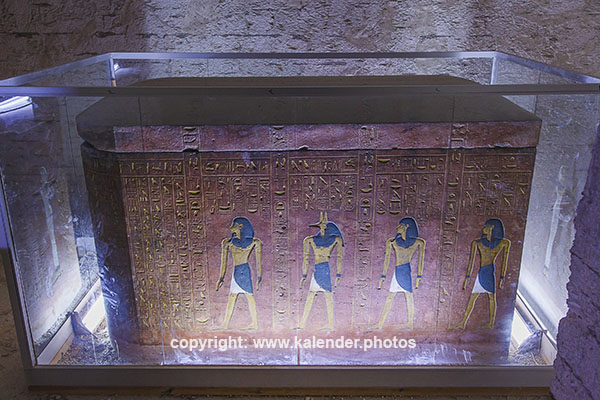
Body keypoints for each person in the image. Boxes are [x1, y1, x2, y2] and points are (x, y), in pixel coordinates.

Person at [453, 218, 511, 330]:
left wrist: (502, 278)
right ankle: (463, 323)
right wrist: (467, 277)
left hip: (489, 272)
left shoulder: (504, 243)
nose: (483, 228)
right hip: (483, 273)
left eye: (486, 226)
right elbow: (471, 262)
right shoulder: (477, 243)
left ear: (492, 228)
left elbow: (504, 261)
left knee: (491, 298)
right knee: (476, 297)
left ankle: (490, 323)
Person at [371, 217, 425, 330]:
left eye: (400, 226)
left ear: (406, 227)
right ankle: (380, 323)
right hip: (397, 272)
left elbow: (421, 260)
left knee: (408, 296)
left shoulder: (418, 242)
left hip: (406, 271)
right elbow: (386, 260)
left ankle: (410, 323)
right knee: (390, 297)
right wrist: (383, 276)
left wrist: (419, 276)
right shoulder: (393, 242)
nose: (397, 228)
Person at [297, 212, 344, 330]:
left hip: (325, 270)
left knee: (328, 296)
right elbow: (305, 259)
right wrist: (304, 275)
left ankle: (330, 324)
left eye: (324, 225)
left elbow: (339, 258)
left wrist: (338, 274)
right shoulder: (309, 240)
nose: (322, 228)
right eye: (321, 225)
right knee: (311, 296)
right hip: (317, 270)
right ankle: (302, 324)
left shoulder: (336, 239)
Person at [215, 217, 262, 330]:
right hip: (238, 271)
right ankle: (226, 324)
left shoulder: (254, 242)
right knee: (235, 296)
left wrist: (259, 277)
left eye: (234, 226)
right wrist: (221, 278)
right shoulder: (228, 243)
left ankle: (254, 324)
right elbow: (224, 262)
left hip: (244, 271)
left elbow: (258, 262)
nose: (231, 228)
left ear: (241, 226)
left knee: (248, 296)